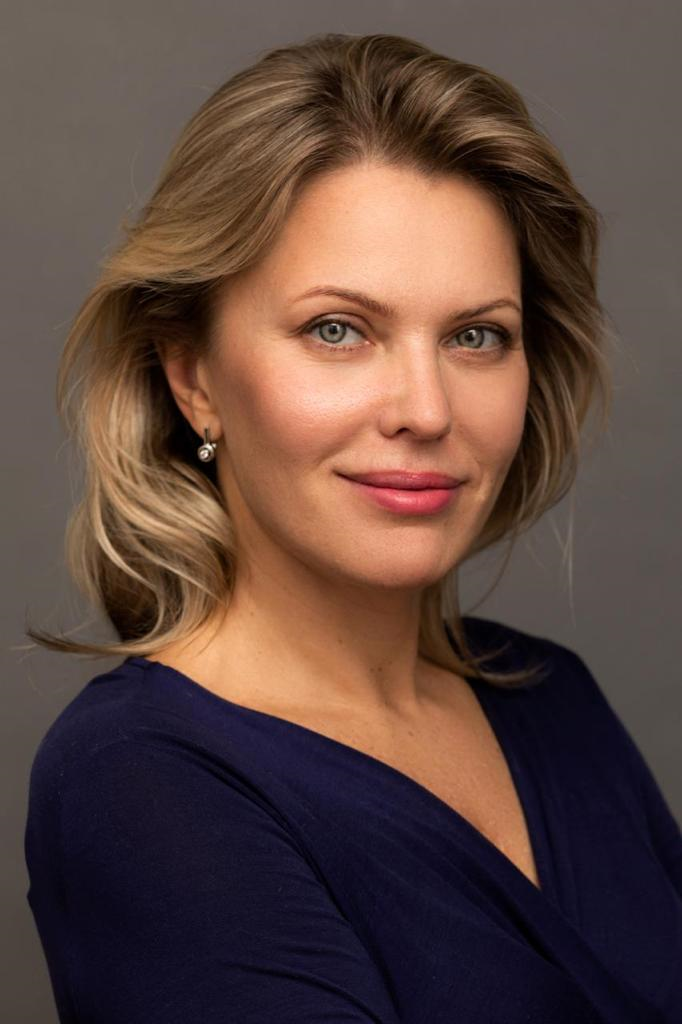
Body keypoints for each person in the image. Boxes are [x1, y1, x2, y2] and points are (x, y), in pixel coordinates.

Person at [23, 31, 681, 1024]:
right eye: (337, 330)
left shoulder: (555, 699)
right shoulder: (139, 782)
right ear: (192, 376)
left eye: (476, 335)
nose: (426, 409)